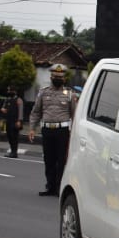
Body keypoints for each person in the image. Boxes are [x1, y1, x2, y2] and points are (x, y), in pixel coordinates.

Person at [28, 63, 78, 196]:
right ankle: (50, 186)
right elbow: (36, 112)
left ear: (64, 79)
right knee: (48, 159)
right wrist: (32, 128)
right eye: (55, 77)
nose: (58, 79)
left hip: (62, 131)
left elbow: (74, 114)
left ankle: (59, 187)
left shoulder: (70, 94)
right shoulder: (43, 92)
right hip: (47, 131)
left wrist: (74, 133)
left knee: (61, 160)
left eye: (60, 77)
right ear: (51, 77)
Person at [0, 86, 24, 158]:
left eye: (9, 90)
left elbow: (20, 111)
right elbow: (3, 107)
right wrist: (3, 109)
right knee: (9, 136)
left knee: (14, 137)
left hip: (15, 121)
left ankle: (14, 152)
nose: (8, 92)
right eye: (8, 90)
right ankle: (12, 151)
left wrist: (19, 121)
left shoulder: (18, 100)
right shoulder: (7, 99)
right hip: (8, 120)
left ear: (14, 91)